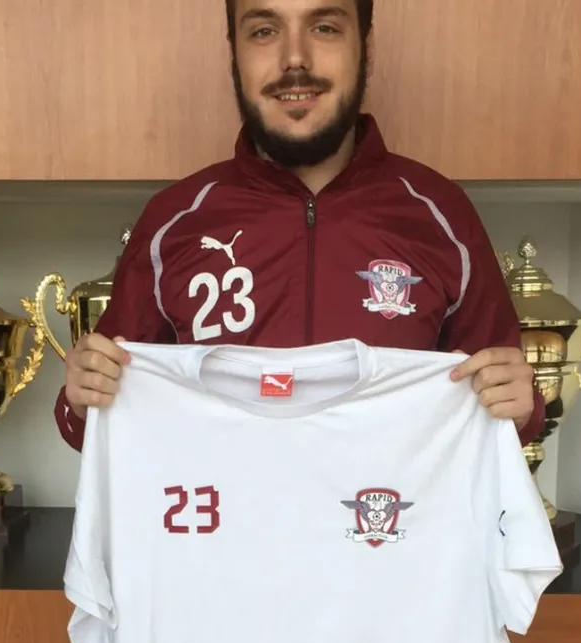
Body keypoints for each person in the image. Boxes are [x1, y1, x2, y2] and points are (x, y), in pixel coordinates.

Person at [54, 0, 543, 450]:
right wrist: (82, 399)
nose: (294, 58)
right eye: (264, 31)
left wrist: (522, 407)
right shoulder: (172, 223)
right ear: (234, 53)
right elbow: (105, 422)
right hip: (222, 520)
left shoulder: (442, 217)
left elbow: (500, 416)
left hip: (383, 519)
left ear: (366, 47)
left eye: (324, 28)